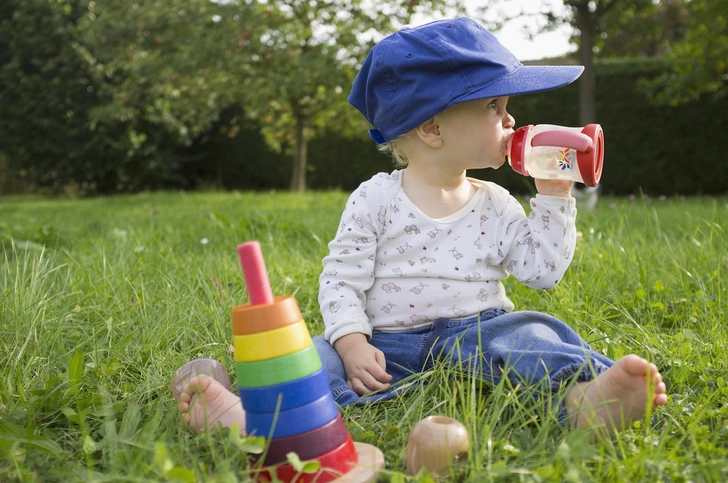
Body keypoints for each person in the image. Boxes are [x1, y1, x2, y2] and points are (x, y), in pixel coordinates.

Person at [176, 17, 667, 438]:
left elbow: (543, 273)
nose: (511, 118)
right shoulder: (375, 198)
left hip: (477, 332)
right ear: (432, 129)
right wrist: (350, 342)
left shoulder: (495, 202)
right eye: (493, 107)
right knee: (311, 356)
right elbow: (341, 278)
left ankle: (584, 401)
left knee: (531, 334)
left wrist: (555, 196)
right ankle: (251, 419)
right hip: (382, 344)